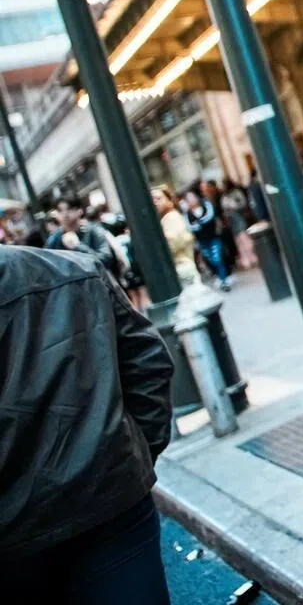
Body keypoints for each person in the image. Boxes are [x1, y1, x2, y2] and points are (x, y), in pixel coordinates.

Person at [0, 246, 174, 604]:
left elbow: (147, 365)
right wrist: (131, 458)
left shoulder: (76, 270)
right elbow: (148, 365)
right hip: (108, 499)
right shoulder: (75, 269)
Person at [44, 195, 120, 278]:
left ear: (79, 211)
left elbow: (106, 260)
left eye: (69, 209)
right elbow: (46, 264)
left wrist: (78, 246)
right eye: (60, 210)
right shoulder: (55, 237)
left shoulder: (94, 230)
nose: (65, 214)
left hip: (98, 280)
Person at [183, 188, 232, 290]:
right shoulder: (187, 214)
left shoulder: (206, 205)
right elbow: (188, 226)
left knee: (217, 258)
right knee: (211, 260)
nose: (191, 200)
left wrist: (200, 222)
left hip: (214, 237)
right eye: (188, 198)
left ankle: (224, 281)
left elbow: (210, 215)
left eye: (192, 197)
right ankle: (221, 277)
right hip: (202, 241)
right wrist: (196, 226)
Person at [152, 187, 200, 286]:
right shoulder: (165, 219)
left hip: (182, 270)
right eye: (152, 200)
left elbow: (171, 244)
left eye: (158, 198)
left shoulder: (171, 217)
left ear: (169, 200)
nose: (155, 202)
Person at [221, 178, 256, 269]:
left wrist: (234, 207)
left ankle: (252, 258)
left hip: (239, 217)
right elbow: (223, 208)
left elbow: (243, 203)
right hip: (232, 221)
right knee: (239, 241)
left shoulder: (236, 193)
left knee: (244, 238)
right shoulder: (225, 196)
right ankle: (246, 261)